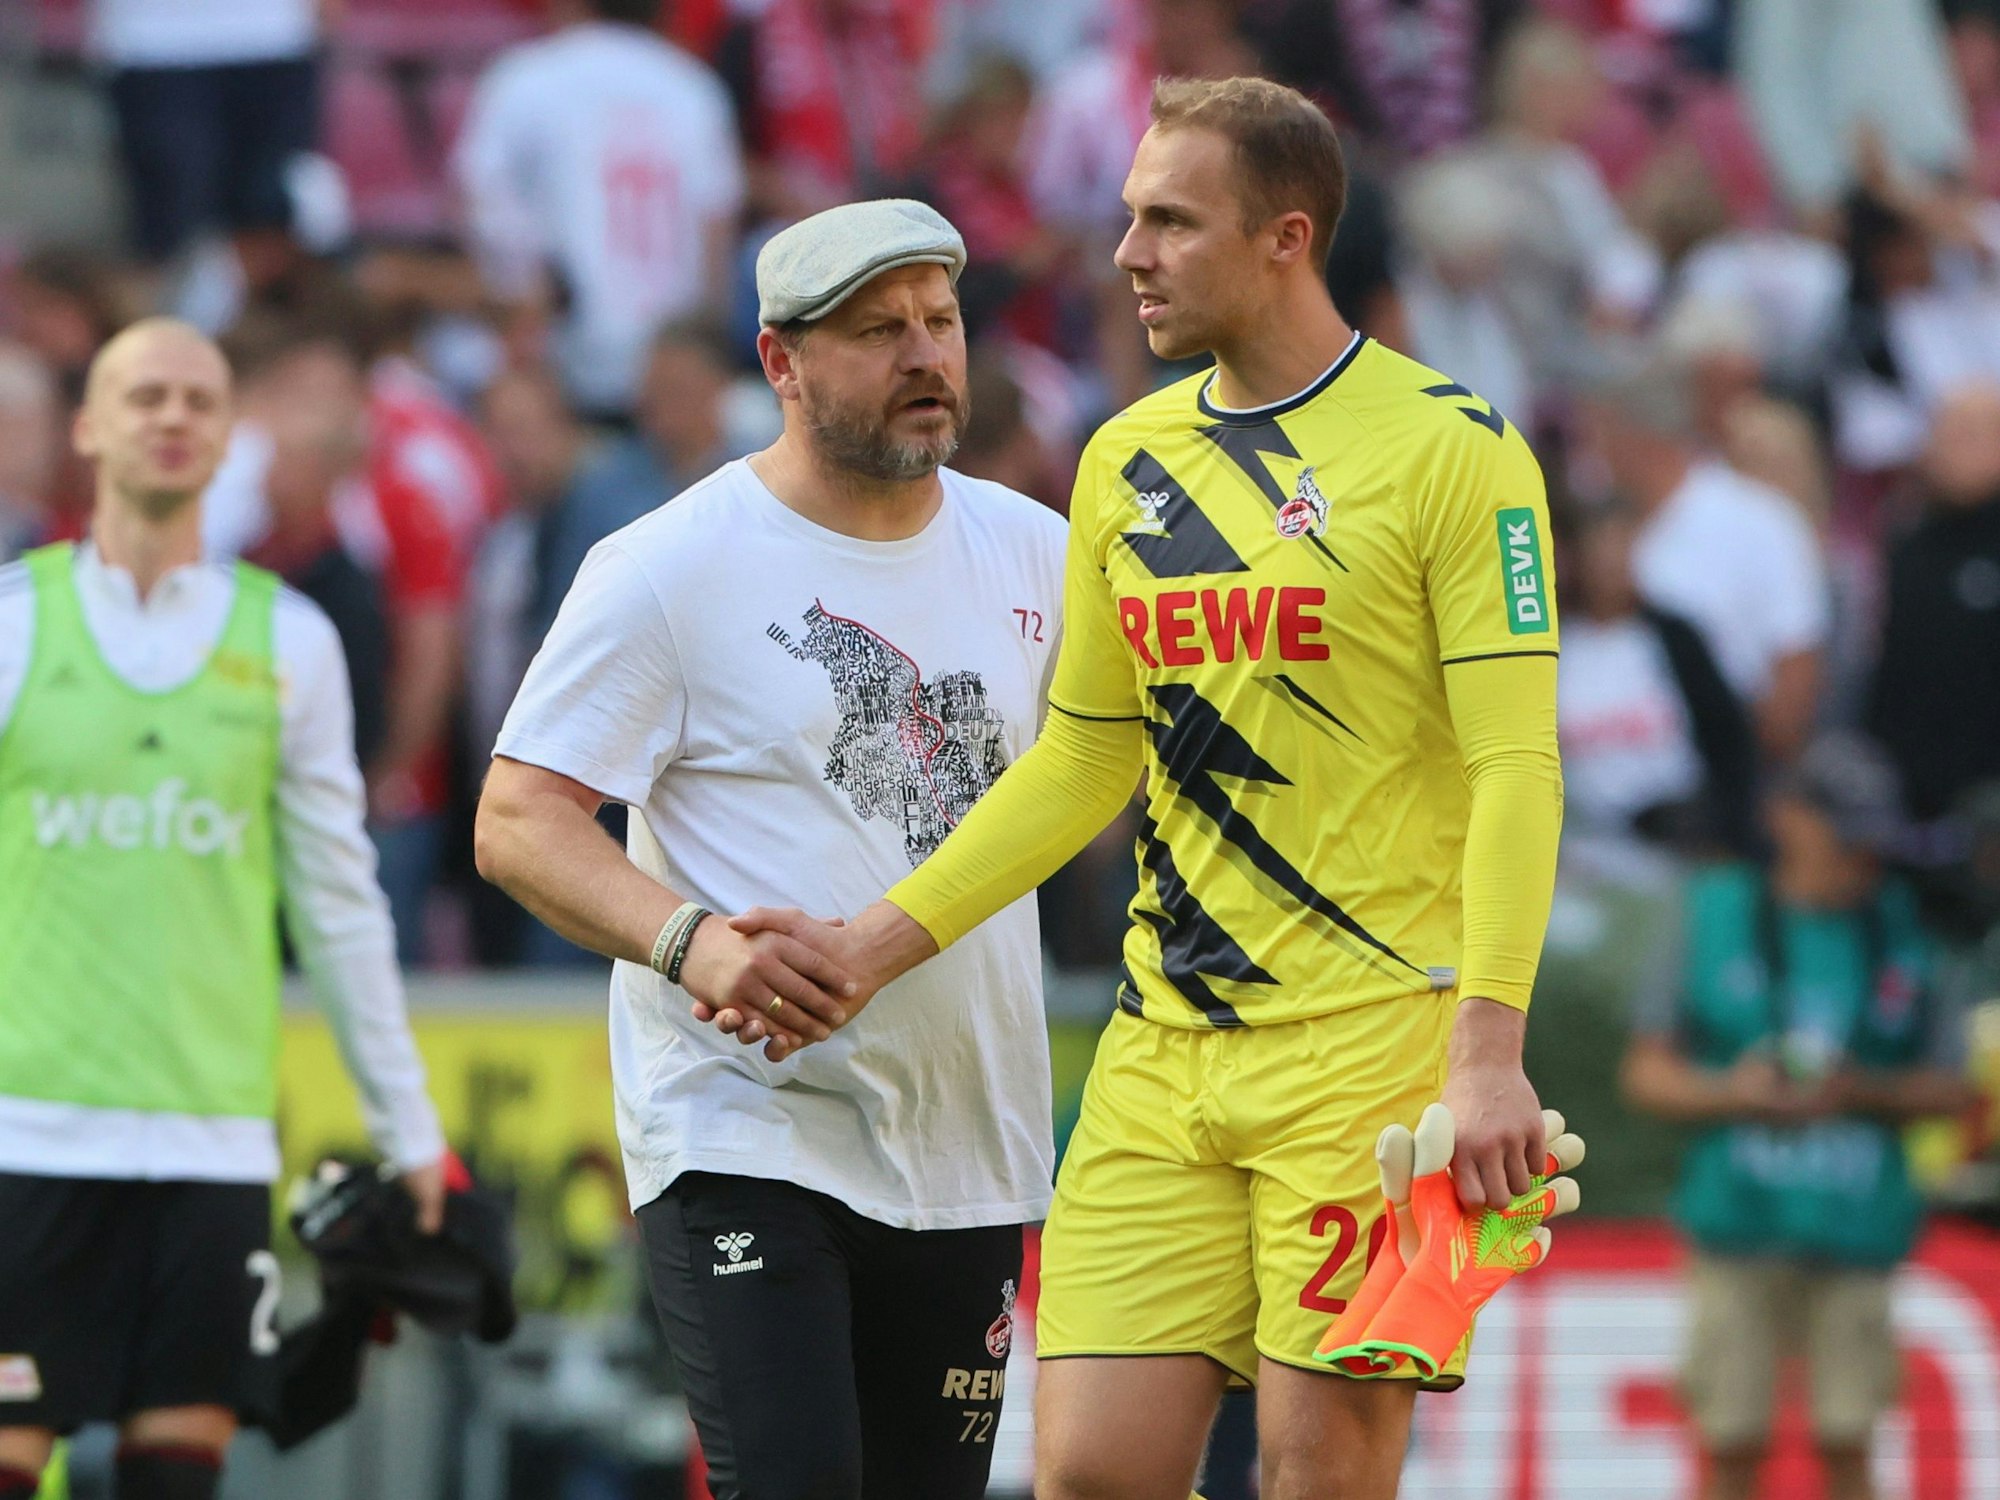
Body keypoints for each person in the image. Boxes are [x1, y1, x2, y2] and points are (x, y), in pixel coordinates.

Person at [719, 78, 1565, 1500]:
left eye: (1171, 221)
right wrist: (870, 946)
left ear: (1285, 238)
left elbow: (1517, 765)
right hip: (1164, 1046)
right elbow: (1084, 759)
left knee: (1317, 1477)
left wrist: (1487, 1051)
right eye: (1129, 217)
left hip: (1372, 1048)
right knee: (1091, 1474)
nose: (1128, 254)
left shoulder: (1453, 450)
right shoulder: (1128, 457)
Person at [473, 201, 1066, 1500]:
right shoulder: (669, 564)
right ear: (779, 361)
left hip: (964, 1137)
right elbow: (517, 818)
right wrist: (692, 944)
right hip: (744, 1125)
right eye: (878, 331)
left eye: (940, 322)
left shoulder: (1040, 552)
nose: (925, 355)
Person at [0, 320, 446, 1500]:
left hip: (210, 1142)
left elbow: (341, 907)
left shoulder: (292, 641)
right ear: (88, 427)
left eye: (199, 399)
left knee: (176, 1477)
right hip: (26, 1133)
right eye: (144, 394)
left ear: (229, 435)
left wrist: (410, 1133)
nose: (173, 416)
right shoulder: (13, 622)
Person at [1622, 732, 1975, 1500]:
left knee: (1849, 1436)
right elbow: (1645, 1074)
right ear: (1786, 817)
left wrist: (1857, 1090)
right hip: (1735, 1221)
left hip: (1858, 1229)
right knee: (1729, 1437)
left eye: (1871, 842)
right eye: (1844, 837)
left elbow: (1956, 1089)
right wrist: (1736, 1093)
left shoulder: (1913, 922)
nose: (1860, 861)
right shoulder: (1712, 907)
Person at [453, 0, 746, 419]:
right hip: (671, 371)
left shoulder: (528, 75)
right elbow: (715, 235)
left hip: (561, 366)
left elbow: (478, 202)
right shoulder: (693, 86)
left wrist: (527, 292)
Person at [1584, 361, 1831, 763]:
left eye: (1601, 436)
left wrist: (1745, 774)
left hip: (1723, 769)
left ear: (1636, 439)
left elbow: (1795, 669)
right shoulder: (1597, 527)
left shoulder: (1761, 522)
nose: (1593, 457)